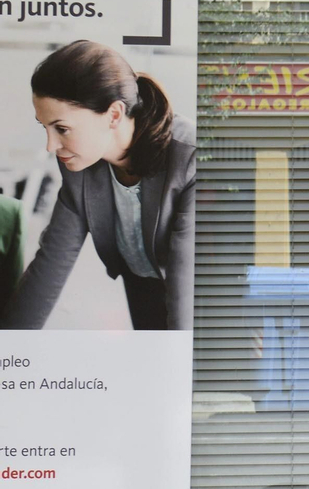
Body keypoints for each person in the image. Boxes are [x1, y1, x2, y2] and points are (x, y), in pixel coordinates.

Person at [1, 40, 195, 331]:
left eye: (62, 129)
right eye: (46, 128)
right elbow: (51, 262)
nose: (51, 145)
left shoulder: (189, 157)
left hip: (207, 300)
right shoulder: (78, 165)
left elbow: (185, 281)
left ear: (114, 114)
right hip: (142, 284)